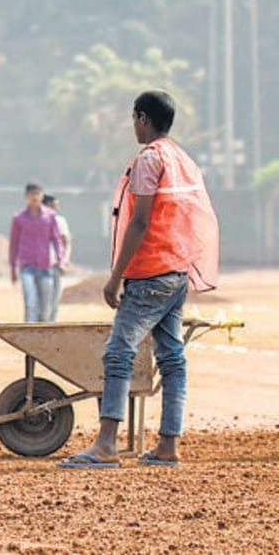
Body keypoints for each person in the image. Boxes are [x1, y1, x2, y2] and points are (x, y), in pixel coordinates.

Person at [59, 90, 220, 468]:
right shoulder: (182, 158)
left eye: (134, 118)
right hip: (177, 271)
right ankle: (167, 445)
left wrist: (114, 278)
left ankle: (105, 445)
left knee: (118, 352)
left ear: (142, 118)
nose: (133, 125)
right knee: (172, 358)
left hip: (149, 272)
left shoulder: (150, 159)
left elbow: (141, 220)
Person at [8, 183, 65, 322]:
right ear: (26, 196)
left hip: (45, 267)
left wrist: (61, 260)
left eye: (37, 194)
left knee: (46, 307)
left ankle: (43, 338)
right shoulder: (19, 218)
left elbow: (57, 239)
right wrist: (13, 268)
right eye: (31, 194)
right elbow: (14, 243)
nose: (35, 197)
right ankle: (30, 337)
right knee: (31, 303)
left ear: (42, 195)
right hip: (27, 267)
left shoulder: (50, 216)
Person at [44, 193, 72, 314]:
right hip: (41, 266)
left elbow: (66, 242)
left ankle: (50, 325)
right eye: (53, 206)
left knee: (55, 299)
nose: (56, 209)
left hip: (56, 265)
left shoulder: (60, 221)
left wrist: (64, 261)